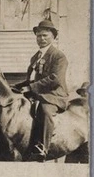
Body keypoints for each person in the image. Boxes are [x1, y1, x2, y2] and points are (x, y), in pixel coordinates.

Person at [12, 20, 69, 161]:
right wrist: (16, 86)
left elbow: (55, 78)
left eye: (45, 36)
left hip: (54, 95)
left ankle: (42, 147)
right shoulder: (35, 57)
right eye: (39, 36)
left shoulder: (58, 56)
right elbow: (32, 78)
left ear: (53, 37)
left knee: (45, 110)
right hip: (37, 93)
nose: (41, 39)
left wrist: (31, 88)